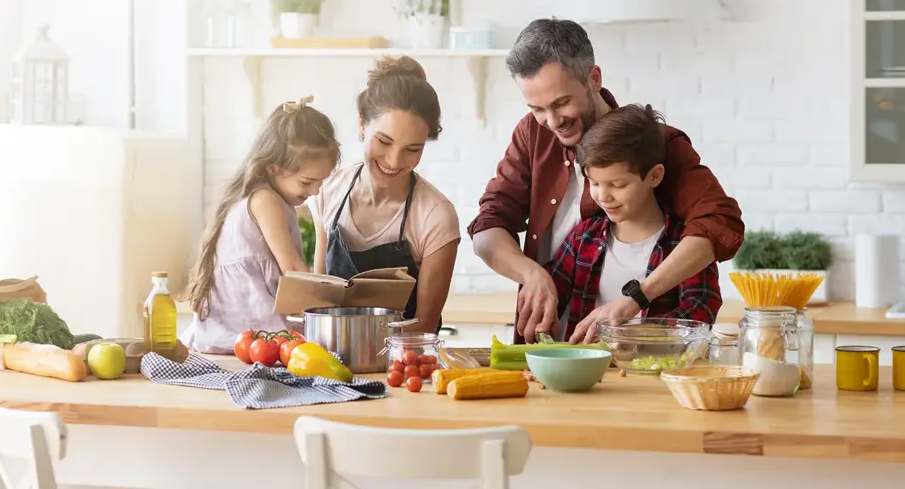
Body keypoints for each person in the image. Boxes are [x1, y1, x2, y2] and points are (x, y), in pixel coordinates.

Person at [467, 18, 743, 343]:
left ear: (594, 78)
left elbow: (719, 222)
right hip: (554, 346)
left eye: (560, 103)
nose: (552, 121)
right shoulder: (532, 133)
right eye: (537, 108)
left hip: (639, 355)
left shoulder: (652, 143)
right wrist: (532, 274)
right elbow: (487, 227)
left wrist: (638, 298)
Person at [546, 104, 722, 344]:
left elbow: (700, 312)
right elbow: (550, 298)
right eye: (594, 183)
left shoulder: (685, 245)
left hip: (655, 374)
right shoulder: (583, 238)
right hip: (586, 374)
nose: (603, 196)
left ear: (655, 176)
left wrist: (626, 335)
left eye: (618, 185)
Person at [311, 55, 461, 334]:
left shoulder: (435, 215)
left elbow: (425, 325)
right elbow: (319, 303)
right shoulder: (328, 191)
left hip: (403, 366)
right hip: (330, 362)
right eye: (384, 141)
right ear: (362, 124)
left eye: (412, 149)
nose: (394, 161)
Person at [180, 96, 340, 354]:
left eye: (321, 182)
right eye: (307, 181)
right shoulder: (266, 201)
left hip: (235, 333)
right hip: (250, 332)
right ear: (273, 168)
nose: (314, 190)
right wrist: (332, 305)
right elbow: (292, 269)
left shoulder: (260, 197)